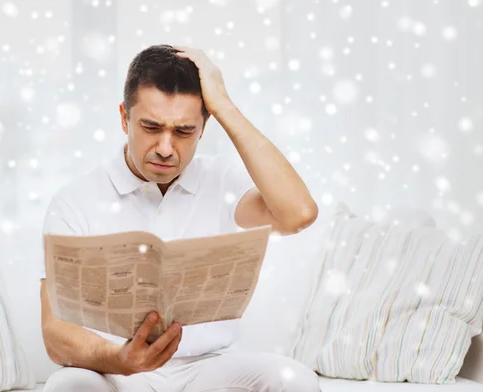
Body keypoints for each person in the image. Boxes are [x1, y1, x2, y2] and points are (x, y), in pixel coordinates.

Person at [40, 44, 321, 391]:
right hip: (112, 368)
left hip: (208, 368)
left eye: (184, 131)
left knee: (294, 380)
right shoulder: (74, 201)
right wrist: (121, 360)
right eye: (151, 127)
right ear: (124, 118)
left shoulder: (220, 180)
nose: (165, 147)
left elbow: (298, 214)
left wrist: (224, 106)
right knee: (67, 386)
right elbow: (55, 335)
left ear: (203, 129)